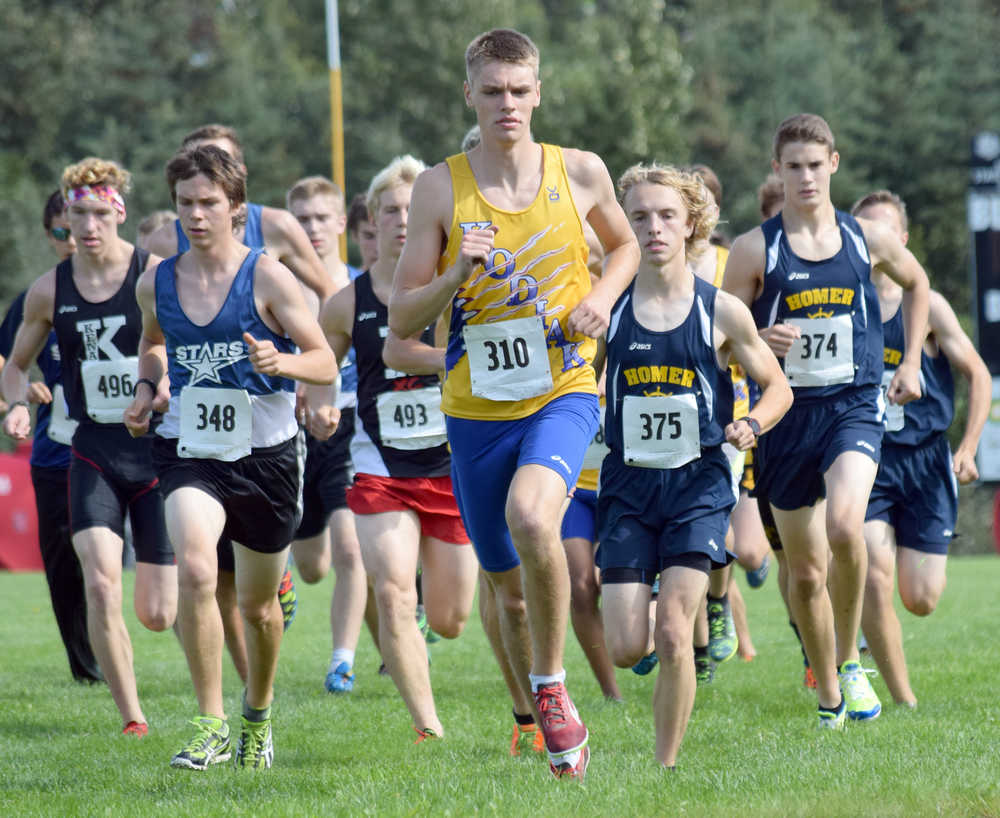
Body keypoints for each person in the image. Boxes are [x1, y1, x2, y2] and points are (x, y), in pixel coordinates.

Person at [388, 28, 640, 779]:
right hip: (475, 408)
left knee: (537, 518)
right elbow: (403, 316)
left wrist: (599, 296)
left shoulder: (581, 172)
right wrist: (451, 276)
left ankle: (553, 689)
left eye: (520, 90)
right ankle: (528, 710)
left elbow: (624, 248)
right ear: (469, 93)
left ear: (538, 92)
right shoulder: (440, 188)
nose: (507, 104)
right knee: (507, 590)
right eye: (492, 91)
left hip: (563, 388)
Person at [124, 145, 337, 770]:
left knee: (257, 608)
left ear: (236, 208)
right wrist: (145, 390)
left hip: (267, 456)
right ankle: (210, 721)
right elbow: (153, 345)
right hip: (190, 449)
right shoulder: (155, 281)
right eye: (184, 204)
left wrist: (283, 362)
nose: (195, 215)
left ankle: (257, 713)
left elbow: (324, 358)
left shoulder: (267, 277)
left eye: (208, 204)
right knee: (194, 568)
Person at [723, 113, 930, 728]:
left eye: (817, 165)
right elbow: (723, 340)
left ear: (833, 164)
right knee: (806, 572)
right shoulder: (754, 249)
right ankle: (829, 694)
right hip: (785, 415)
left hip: (854, 404)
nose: (807, 177)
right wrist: (758, 337)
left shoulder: (867, 238)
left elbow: (917, 284)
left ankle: (848, 663)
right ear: (777, 170)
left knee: (847, 526)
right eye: (794, 167)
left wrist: (912, 360)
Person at [598, 163, 791, 768]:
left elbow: (778, 388)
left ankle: (665, 765)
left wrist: (751, 424)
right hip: (629, 486)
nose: (653, 228)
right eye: (640, 217)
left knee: (675, 635)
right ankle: (663, 601)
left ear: (690, 225)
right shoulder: (608, 308)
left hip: (699, 484)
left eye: (666, 216)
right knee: (627, 646)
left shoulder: (723, 310)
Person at [2, 158, 177, 736]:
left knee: (158, 612)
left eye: (100, 212)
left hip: (155, 452)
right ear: (66, 217)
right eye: (78, 213)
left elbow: (183, 342)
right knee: (100, 580)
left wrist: (160, 386)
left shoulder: (153, 274)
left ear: (119, 212)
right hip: (91, 450)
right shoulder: (50, 289)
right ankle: (133, 717)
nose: (88, 225)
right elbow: (15, 365)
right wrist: (17, 404)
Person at [317, 155, 479, 740]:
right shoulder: (345, 303)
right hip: (378, 468)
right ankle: (427, 724)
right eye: (391, 210)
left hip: (449, 464)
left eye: (414, 209)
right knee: (390, 590)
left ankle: (424, 633)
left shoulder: (460, 289)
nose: (404, 220)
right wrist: (316, 400)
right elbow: (318, 364)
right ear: (373, 220)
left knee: (452, 618)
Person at [852, 190, 990, 707]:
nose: (874, 242)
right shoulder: (845, 304)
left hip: (928, 461)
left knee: (922, 598)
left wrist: (970, 445)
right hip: (868, 456)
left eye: (884, 231)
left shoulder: (928, 306)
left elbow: (977, 373)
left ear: (903, 240)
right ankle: (900, 696)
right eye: (864, 231)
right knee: (873, 566)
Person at [0, 190, 101, 684]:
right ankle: (86, 668)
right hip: (58, 447)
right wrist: (20, 396)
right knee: (64, 560)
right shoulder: (38, 296)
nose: (74, 239)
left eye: (81, 225)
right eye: (62, 231)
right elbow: (7, 362)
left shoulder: (132, 286)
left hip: (127, 446)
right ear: (50, 236)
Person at [286, 175, 377, 693]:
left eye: (322, 218)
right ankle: (285, 577)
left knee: (350, 550)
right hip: (290, 434)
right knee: (314, 565)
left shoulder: (358, 287)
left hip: (348, 427)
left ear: (342, 223)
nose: (313, 229)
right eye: (302, 220)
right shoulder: (272, 282)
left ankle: (342, 660)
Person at [346, 192, 378, 272]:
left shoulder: (411, 282)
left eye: (384, 236)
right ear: (354, 235)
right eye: (369, 236)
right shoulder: (345, 283)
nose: (377, 247)